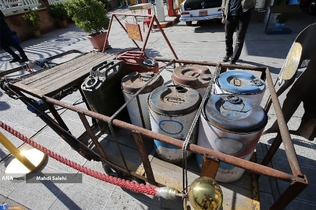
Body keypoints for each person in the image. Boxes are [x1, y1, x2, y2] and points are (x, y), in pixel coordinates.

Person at [221, 0, 255, 64]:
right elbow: (224, 3)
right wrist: (223, 15)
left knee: (240, 38)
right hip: (230, 15)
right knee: (227, 36)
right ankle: (229, 53)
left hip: (243, 16)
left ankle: (234, 59)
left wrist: (249, 9)